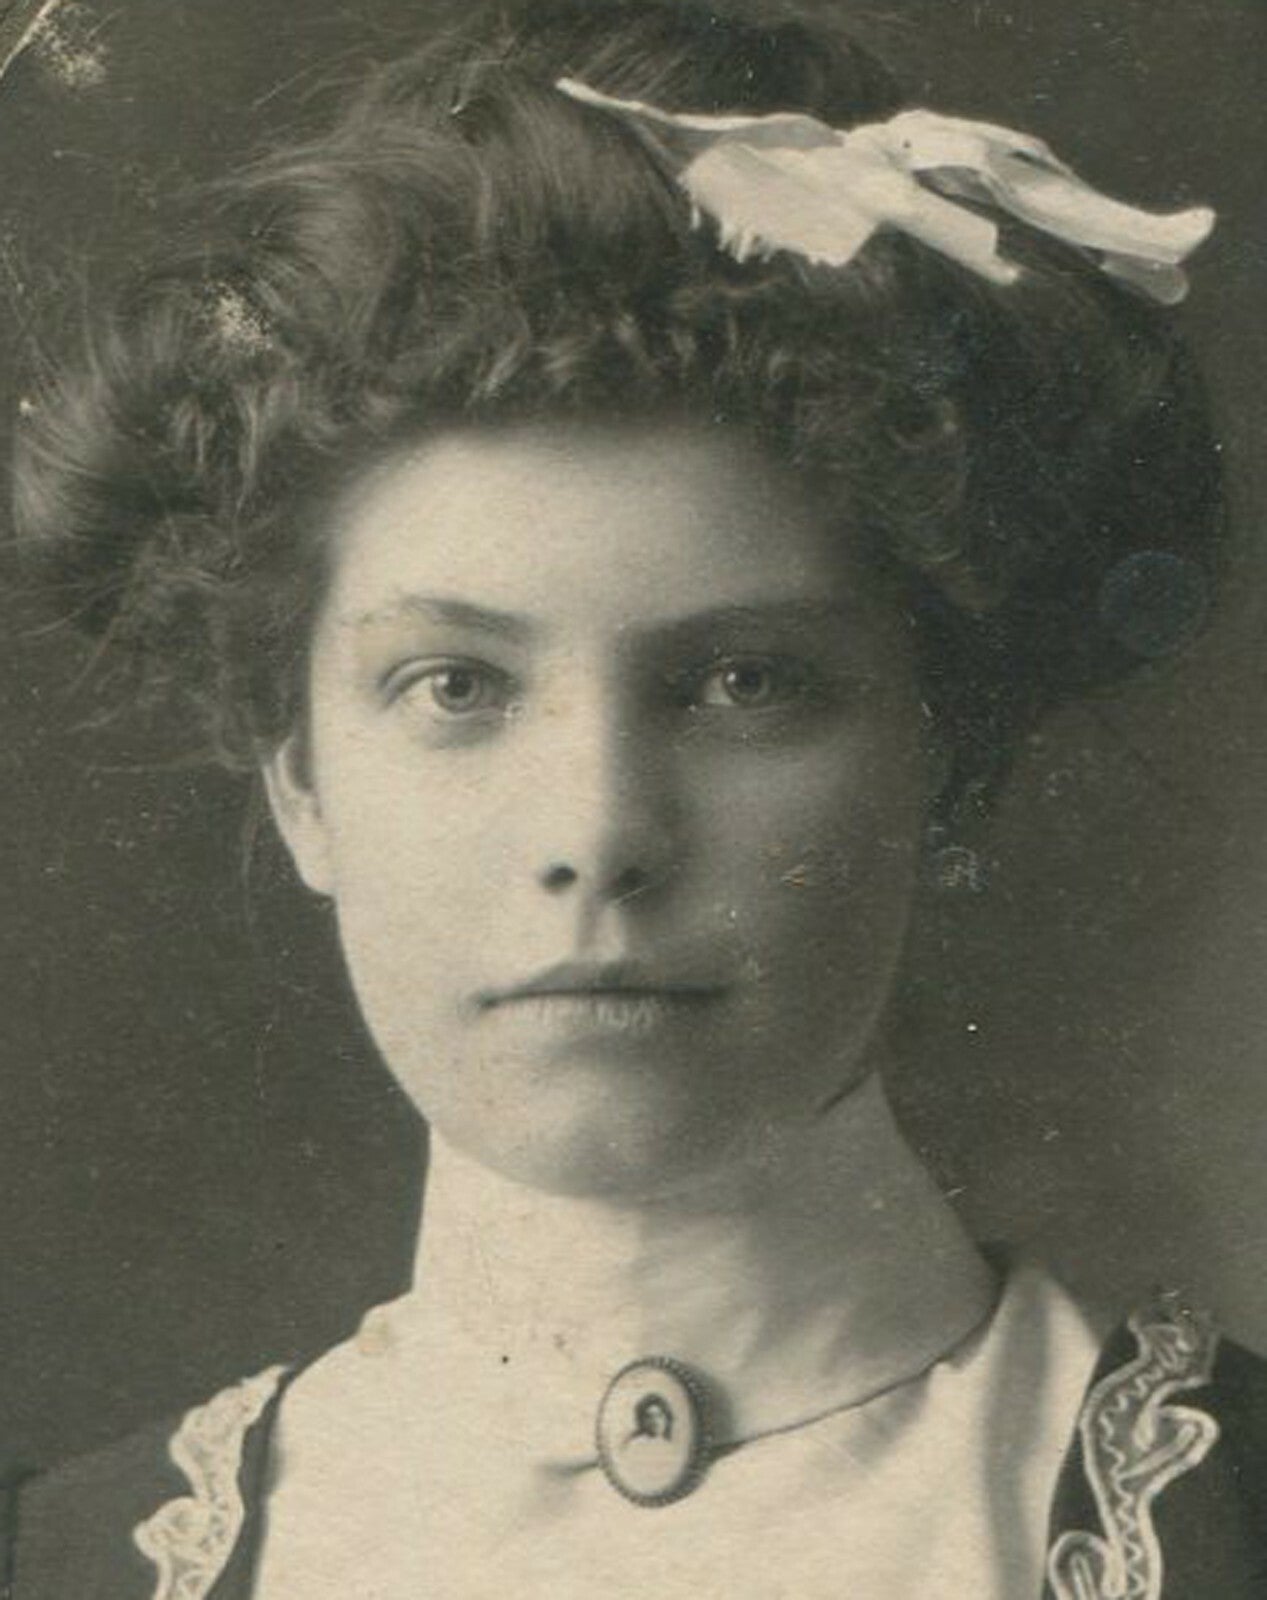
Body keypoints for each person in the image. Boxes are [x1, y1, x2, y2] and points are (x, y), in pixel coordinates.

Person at [2, 2, 1264, 1596]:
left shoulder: (1222, 1521)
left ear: (947, 760)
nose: (597, 832)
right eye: (455, 686)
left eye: (745, 683)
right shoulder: (74, 1563)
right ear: (304, 780)